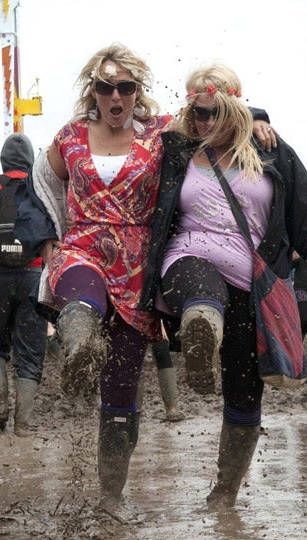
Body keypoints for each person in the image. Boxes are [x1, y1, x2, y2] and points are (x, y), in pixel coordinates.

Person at [34, 44, 277, 513]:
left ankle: (110, 496)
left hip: (138, 263)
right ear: (94, 92)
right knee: (82, 305)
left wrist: (259, 117)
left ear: (138, 92)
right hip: (84, 245)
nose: (116, 96)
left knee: (123, 378)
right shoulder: (69, 135)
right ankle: (77, 342)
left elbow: (211, 110)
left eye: (126, 87)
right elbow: (43, 181)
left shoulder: (161, 131)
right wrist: (50, 237)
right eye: (106, 87)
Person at [145, 62, 307, 509]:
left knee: (246, 390)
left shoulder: (271, 150)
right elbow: (126, 124)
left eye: (214, 114)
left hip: (252, 280)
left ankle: (225, 492)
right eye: (198, 114)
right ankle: (200, 334)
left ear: (234, 109)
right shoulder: (175, 149)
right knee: (200, 294)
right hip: (188, 256)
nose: (205, 123)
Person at [0, 132, 52, 435]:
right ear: (30, 160)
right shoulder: (40, 188)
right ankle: (24, 423)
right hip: (32, 275)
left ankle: (0, 402)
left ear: (3, 160)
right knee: (30, 351)